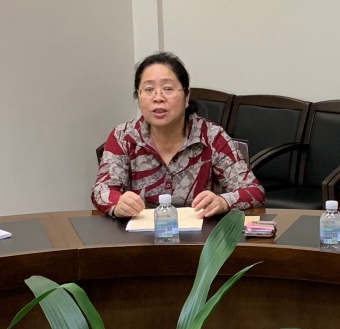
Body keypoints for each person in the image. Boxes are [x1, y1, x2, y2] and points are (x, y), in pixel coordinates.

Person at [92, 52, 264, 218]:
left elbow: (254, 191)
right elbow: (102, 190)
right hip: (141, 234)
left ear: (187, 96)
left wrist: (223, 202)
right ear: (138, 97)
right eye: (149, 89)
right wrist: (118, 202)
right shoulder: (123, 137)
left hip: (201, 234)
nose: (158, 97)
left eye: (168, 88)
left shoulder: (211, 136)